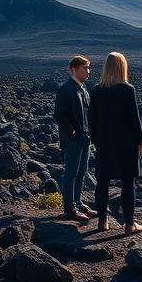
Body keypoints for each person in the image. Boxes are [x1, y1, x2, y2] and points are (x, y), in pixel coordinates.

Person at [89, 51, 142, 235]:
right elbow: (134, 119)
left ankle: (102, 222)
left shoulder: (96, 90)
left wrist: (95, 139)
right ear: (123, 67)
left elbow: (92, 119)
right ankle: (129, 224)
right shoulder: (127, 89)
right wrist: (140, 141)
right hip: (126, 144)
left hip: (104, 143)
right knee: (128, 182)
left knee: (102, 182)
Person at [53, 55, 97, 222]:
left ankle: (78, 203)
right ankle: (69, 209)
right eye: (84, 68)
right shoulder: (66, 89)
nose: (88, 71)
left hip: (84, 138)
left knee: (82, 172)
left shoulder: (83, 88)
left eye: (88, 68)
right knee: (71, 173)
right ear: (73, 70)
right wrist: (71, 132)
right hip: (73, 140)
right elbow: (59, 115)